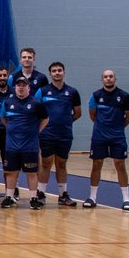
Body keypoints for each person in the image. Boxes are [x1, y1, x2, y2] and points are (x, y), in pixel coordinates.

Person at [85, 69, 129, 211]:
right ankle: (92, 197)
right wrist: (103, 127)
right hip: (99, 136)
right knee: (96, 164)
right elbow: (93, 116)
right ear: (102, 79)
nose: (108, 79)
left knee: (120, 164)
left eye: (111, 76)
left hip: (117, 136)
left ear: (115, 79)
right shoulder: (96, 95)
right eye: (105, 77)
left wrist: (118, 128)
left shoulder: (124, 96)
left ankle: (126, 199)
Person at [35, 61, 82, 206]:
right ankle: (40, 193)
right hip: (47, 134)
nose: (57, 73)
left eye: (59, 70)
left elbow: (77, 113)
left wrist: (65, 122)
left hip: (64, 135)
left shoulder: (72, 92)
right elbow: (35, 110)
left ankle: (63, 195)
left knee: (62, 164)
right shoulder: (43, 91)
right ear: (50, 73)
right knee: (46, 164)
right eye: (54, 71)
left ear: (64, 72)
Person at [1, 78, 49, 210]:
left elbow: (46, 119)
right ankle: (9, 197)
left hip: (29, 145)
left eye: (23, 85)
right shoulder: (7, 102)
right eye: (18, 85)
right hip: (12, 145)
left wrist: (37, 130)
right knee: (11, 172)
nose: (20, 88)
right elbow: (3, 118)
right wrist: (11, 130)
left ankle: (33, 198)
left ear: (28, 87)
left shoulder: (36, 103)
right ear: (15, 87)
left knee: (31, 172)